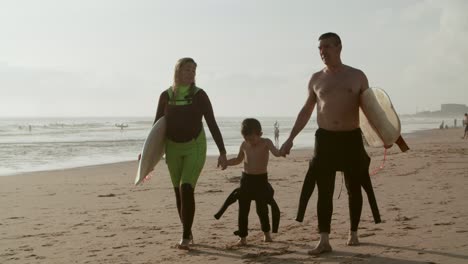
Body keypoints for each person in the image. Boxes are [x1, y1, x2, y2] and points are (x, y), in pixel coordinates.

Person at [280, 32, 384, 255]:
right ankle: (324, 239)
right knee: (323, 190)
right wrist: (290, 139)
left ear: (339, 47)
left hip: (351, 138)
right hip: (325, 139)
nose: (322, 52)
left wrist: (384, 135)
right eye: (319, 48)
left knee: (353, 188)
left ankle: (353, 232)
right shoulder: (316, 78)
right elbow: (306, 110)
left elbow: (370, 109)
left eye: (326, 47)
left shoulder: (357, 76)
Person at [152, 57, 227, 250]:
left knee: (186, 188)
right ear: (178, 72)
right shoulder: (166, 96)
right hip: (172, 148)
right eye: (187, 70)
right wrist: (148, 155)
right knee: (178, 192)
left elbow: (211, 123)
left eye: (194, 70)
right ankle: (187, 229)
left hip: (195, 146)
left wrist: (222, 151)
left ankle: (185, 236)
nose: (191, 73)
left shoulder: (199, 95)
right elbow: (156, 128)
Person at [225, 118, 282, 246]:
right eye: (247, 138)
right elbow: (238, 159)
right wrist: (227, 162)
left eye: (252, 138)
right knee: (243, 210)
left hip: (261, 180)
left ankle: (267, 234)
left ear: (260, 134)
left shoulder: (266, 142)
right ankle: (243, 237)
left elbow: (276, 153)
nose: (249, 141)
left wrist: (282, 151)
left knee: (262, 209)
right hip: (246, 180)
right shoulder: (244, 145)